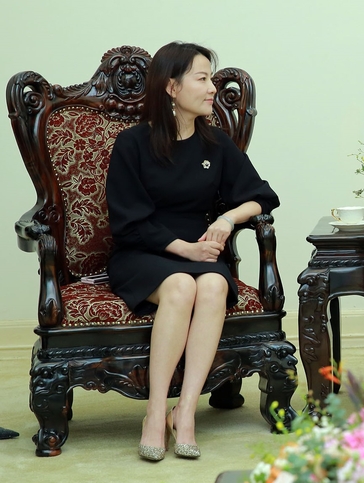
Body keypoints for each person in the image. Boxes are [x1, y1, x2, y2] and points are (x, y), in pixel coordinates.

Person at [106, 41, 280, 461]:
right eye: (201, 79)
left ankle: (185, 413)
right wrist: (182, 249)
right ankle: (154, 413)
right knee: (182, 286)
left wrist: (225, 220)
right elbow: (128, 221)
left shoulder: (215, 143)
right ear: (171, 87)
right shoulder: (131, 144)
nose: (210, 90)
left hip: (200, 252)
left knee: (214, 287)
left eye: (210, 80)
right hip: (144, 251)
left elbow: (263, 196)